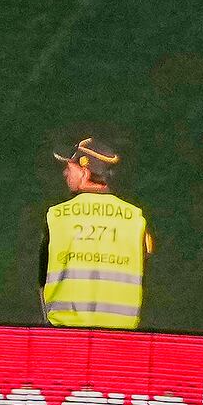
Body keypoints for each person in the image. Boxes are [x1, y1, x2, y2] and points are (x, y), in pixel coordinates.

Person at [39, 134, 152, 328]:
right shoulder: (136, 219)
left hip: (65, 336)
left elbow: (43, 280)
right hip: (122, 339)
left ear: (85, 172)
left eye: (70, 167)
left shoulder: (57, 217)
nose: (65, 173)